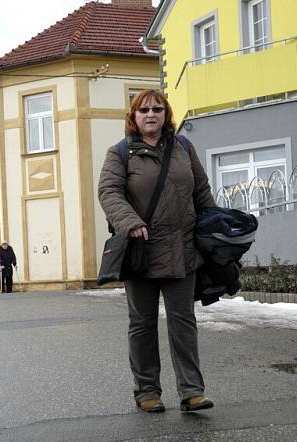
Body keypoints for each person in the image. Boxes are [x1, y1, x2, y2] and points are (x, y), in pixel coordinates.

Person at [98, 89, 217, 413]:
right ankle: (147, 391)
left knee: (183, 321)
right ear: (134, 117)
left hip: (182, 248)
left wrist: (216, 229)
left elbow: (202, 192)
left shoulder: (183, 148)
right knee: (142, 324)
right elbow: (109, 192)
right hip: (141, 249)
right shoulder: (120, 153)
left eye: (157, 109)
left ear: (166, 115)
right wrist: (129, 222)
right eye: (144, 110)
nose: (151, 114)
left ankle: (192, 391)